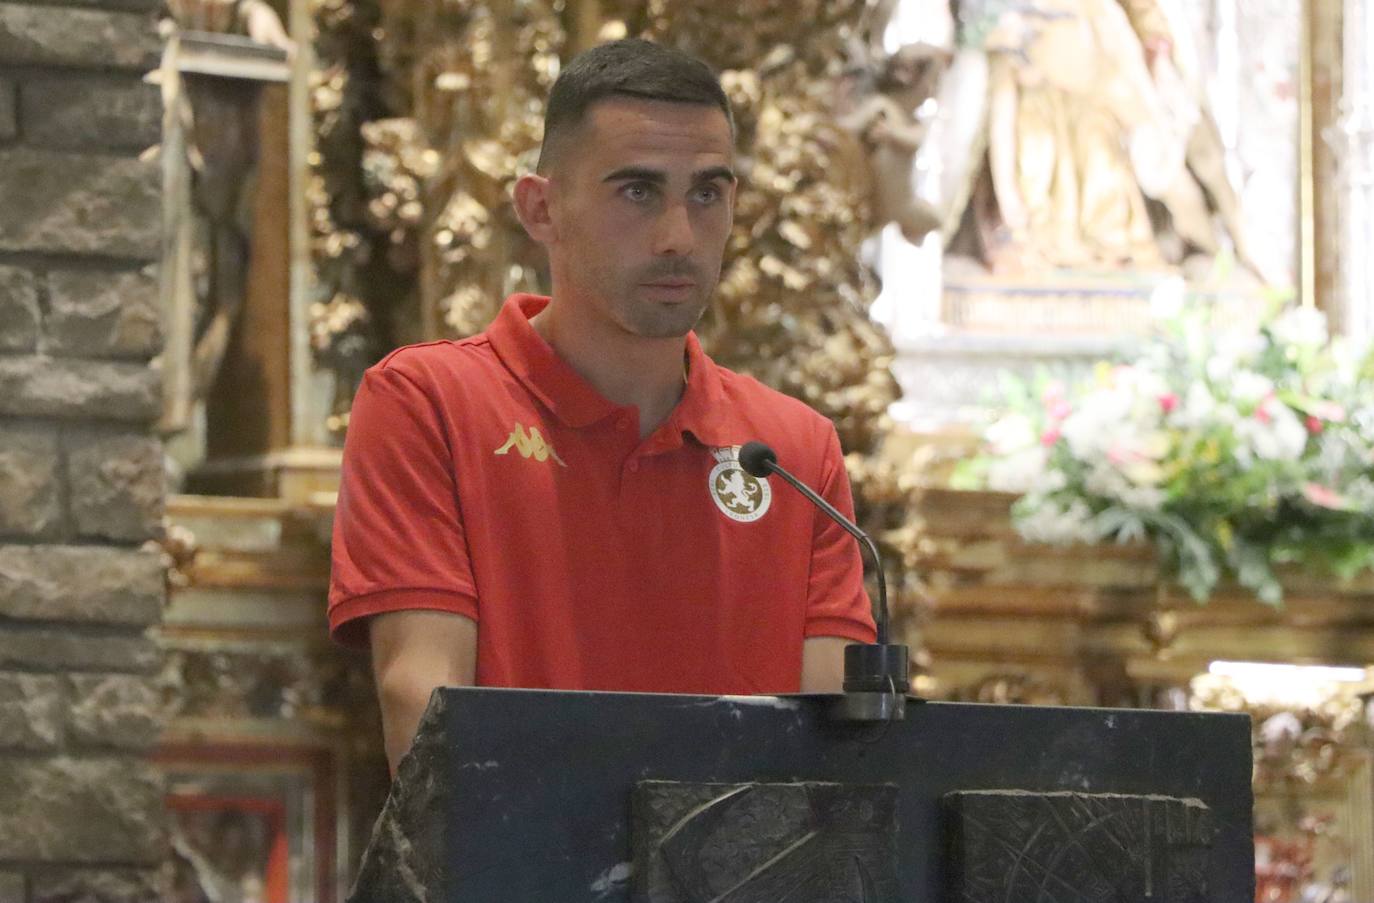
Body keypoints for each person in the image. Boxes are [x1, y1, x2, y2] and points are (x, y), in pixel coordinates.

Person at [327, 38, 877, 774]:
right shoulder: (429, 403)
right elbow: (423, 711)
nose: (679, 236)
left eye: (707, 193)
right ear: (541, 208)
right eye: (638, 191)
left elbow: (834, 760)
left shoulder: (793, 450)